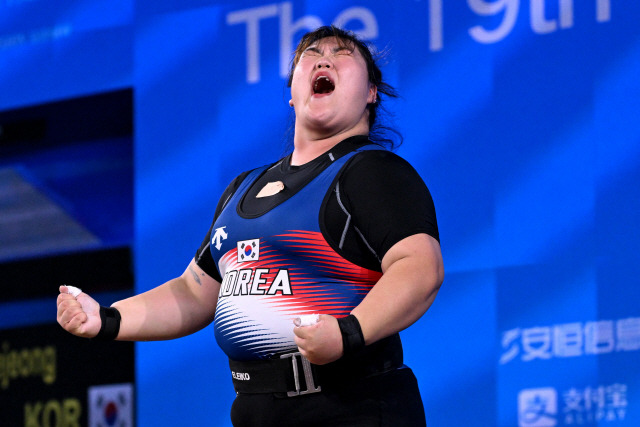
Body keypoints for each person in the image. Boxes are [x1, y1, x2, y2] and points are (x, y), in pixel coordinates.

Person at [57, 25, 444, 426]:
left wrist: (349, 333)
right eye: (311, 53)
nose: (325, 58)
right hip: (256, 411)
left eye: (343, 54)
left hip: (351, 407)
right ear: (292, 94)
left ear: (371, 93)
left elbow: (420, 268)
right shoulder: (242, 189)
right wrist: (106, 319)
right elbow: (194, 291)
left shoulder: (372, 172)